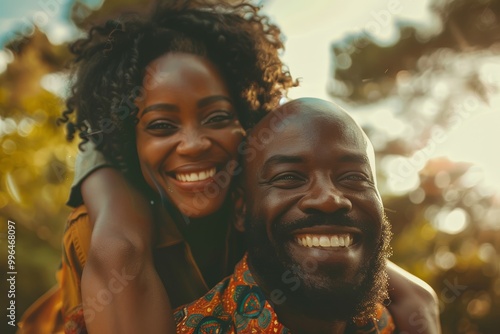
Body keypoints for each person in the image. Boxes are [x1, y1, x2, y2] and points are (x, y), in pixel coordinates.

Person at [18, 1, 440, 333]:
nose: (195, 143)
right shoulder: (105, 227)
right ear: (130, 144)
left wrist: (406, 285)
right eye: (163, 126)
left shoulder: (258, 184)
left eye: (217, 118)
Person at [172, 98, 413, 333]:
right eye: (289, 177)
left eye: (354, 177)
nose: (329, 199)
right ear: (241, 209)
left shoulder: (393, 325)